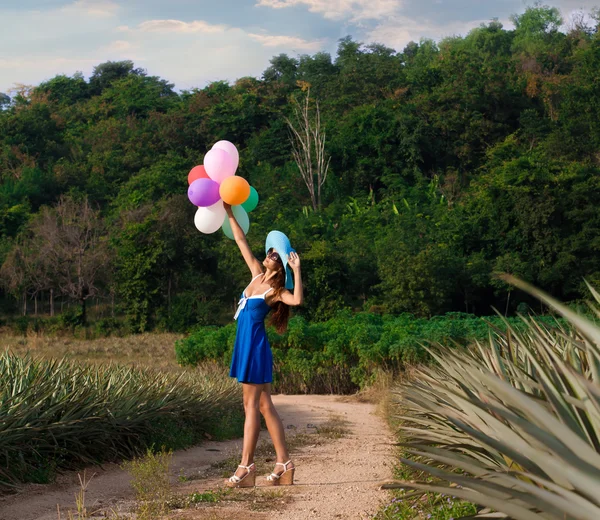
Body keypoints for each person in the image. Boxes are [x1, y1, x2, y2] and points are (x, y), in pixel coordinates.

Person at [223, 203, 304, 489]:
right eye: (270, 251)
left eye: (275, 255)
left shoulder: (276, 291)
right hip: (244, 346)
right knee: (264, 405)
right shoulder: (256, 274)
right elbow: (241, 241)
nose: (269, 255)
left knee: (250, 406)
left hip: (255, 348)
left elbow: (296, 301)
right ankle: (284, 463)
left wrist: (297, 269)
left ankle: (246, 467)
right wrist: (229, 212)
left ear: (280, 265)